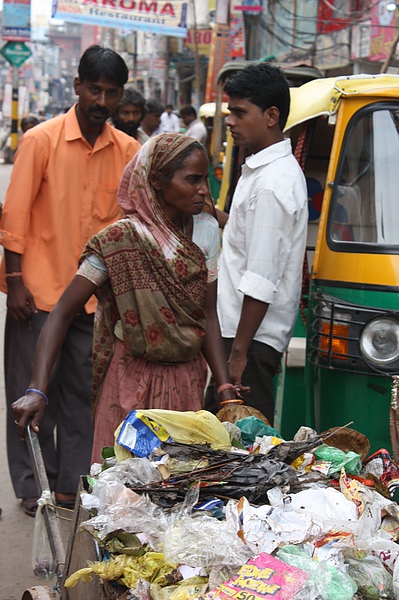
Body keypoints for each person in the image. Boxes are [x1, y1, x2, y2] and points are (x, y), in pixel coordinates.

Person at [12, 133, 239, 465]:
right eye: (193, 179)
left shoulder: (205, 230)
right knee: (122, 491)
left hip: (187, 381)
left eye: (205, 178)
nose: (204, 189)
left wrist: (224, 390)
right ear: (158, 181)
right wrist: (37, 388)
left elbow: (208, 315)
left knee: (177, 487)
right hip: (130, 381)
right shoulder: (119, 241)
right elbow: (61, 314)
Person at [0, 44, 140, 517]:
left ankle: (68, 485)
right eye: (94, 89)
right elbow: (14, 216)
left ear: (121, 95)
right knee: (30, 392)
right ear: (77, 86)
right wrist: (14, 280)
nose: (102, 100)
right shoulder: (41, 140)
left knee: (84, 394)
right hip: (37, 293)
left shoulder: (129, 151)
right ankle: (29, 487)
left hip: (93, 304)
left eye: (112, 92)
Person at [205, 63, 308, 425]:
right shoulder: (261, 171)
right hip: (240, 335)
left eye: (239, 112)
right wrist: (217, 216)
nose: (230, 121)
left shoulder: (272, 184)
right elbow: (253, 240)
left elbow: (262, 276)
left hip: (249, 340)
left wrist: (239, 354)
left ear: (271, 116)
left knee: (240, 457)